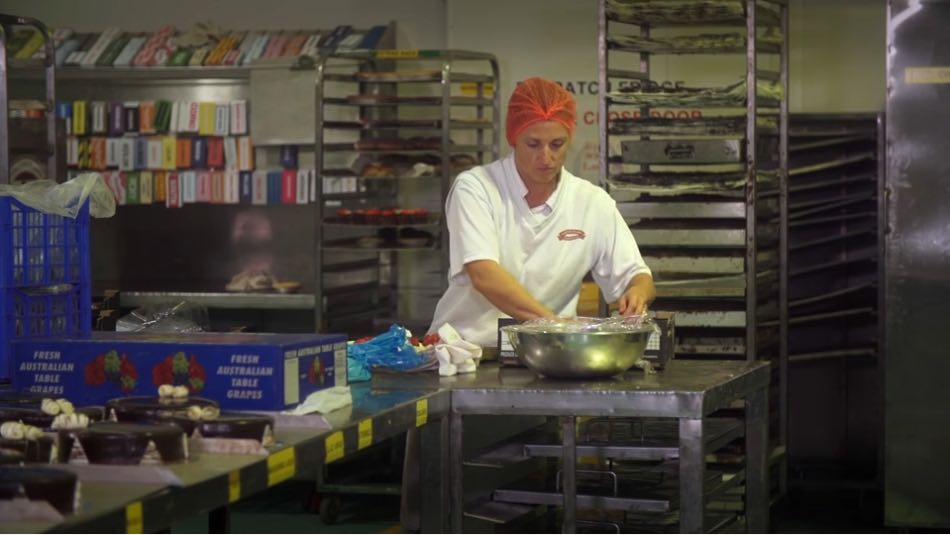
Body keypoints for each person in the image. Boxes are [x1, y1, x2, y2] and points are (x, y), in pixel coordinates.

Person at [428, 76, 655, 347]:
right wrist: (556, 326)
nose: (546, 158)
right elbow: (483, 274)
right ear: (513, 139)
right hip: (467, 352)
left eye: (557, 145)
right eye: (533, 144)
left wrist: (637, 292)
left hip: (551, 355)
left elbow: (637, 275)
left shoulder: (592, 202)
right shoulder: (476, 189)